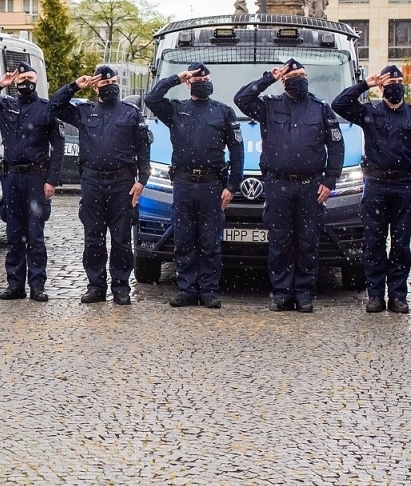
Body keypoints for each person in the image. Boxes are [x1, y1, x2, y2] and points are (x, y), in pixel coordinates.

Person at [235, 59, 344, 313]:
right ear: (283, 79)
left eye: (303, 74)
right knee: (279, 241)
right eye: (294, 75)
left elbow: (336, 145)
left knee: (308, 241)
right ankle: (282, 292)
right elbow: (241, 99)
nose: (300, 79)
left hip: (310, 186)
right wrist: (267, 78)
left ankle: (305, 292)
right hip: (278, 184)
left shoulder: (320, 108)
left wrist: (330, 180)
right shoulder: (270, 106)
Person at [331, 65, 411, 314]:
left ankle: (398, 296)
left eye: (399, 81)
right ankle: (376, 294)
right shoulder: (369, 112)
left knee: (401, 244)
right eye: (390, 83)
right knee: (374, 243)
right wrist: (364, 85)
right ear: (382, 87)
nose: (395, 87)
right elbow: (339, 105)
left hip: (404, 186)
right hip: (376, 185)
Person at [145, 62, 243, 309]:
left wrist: (233, 185)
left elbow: (237, 148)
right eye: (196, 79)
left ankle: (209, 290)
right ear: (188, 83)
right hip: (184, 183)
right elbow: (151, 98)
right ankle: (187, 289)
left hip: (212, 183)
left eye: (206, 78)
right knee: (184, 239)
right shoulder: (177, 110)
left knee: (210, 240)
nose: (202, 82)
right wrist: (177, 77)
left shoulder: (223, 112)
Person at [52, 64, 151, 305]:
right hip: (93, 182)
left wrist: (143, 180)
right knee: (93, 238)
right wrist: (76, 85)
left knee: (121, 239)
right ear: (96, 87)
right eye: (104, 84)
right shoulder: (84, 111)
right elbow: (53, 106)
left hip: (122, 183)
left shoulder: (130, 112)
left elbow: (143, 147)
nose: (110, 87)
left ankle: (121, 286)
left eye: (113, 82)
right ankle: (95, 285)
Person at [0, 60, 65, 302]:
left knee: (35, 235)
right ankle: (15, 285)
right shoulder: (4, 106)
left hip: (36, 177)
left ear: (36, 82)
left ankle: (37, 286)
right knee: (13, 235)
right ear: (15, 82)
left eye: (31, 80)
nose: (26, 83)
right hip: (11, 177)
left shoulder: (46, 109)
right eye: (22, 80)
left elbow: (59, 145)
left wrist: (52, 179)